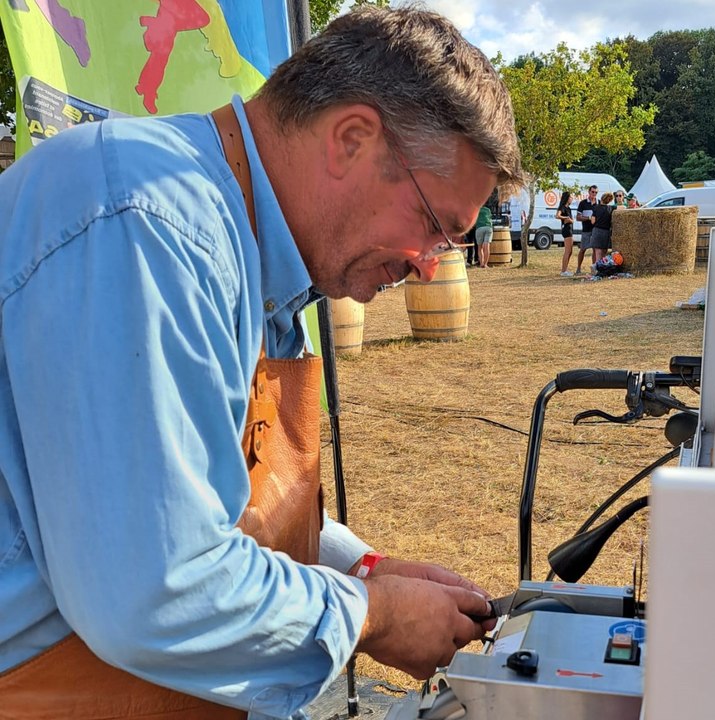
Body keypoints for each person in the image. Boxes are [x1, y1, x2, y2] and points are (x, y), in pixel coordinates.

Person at [0, 6, 524, 719]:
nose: (429, 267)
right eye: (436, 226)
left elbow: (218, 498)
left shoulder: (259, 253)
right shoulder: (151, 227)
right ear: (351, 139)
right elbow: (153, 585)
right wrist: (369, 613)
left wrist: (363, 567)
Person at [575, 184, 598, 274]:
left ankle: (594, 269)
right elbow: (578, 217)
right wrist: (588, 218)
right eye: (592, 192)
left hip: (595, 230)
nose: (594, 194)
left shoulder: (599, 202)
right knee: (583, 249)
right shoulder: (583, 203)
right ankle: (578, 268)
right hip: (586, 230)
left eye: (596, 192)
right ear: (589, 192)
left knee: (595, 250)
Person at [590, 191, 615, 267]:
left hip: (597, 231)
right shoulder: (610, 208)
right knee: (604, 251)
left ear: (601, 199)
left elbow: (592, 221)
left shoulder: (596, 208)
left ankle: (598, 269)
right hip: (606, 231)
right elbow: (622, 207)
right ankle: (604, 267)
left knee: (598, 252)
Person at [555, 191, 575, 276]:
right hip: (566, 230)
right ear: (567, 198)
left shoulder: (569, 208)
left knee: (570, 251)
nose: (572, 199)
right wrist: (565, 218)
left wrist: (570, 220)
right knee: (567, 251)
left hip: (570, 229)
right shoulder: (562, 207)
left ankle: (566, 269)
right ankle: (563, 271)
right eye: (570, 197)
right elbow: (557, 215)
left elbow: (572, 220)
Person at [474, 203, 493, 268]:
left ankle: (481, 263)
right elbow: (490, 218)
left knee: (480, 247)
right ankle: (485, 264)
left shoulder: (476, 209)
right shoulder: (488, 210)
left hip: (479, 228)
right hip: (488, 227)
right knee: (487, 246)